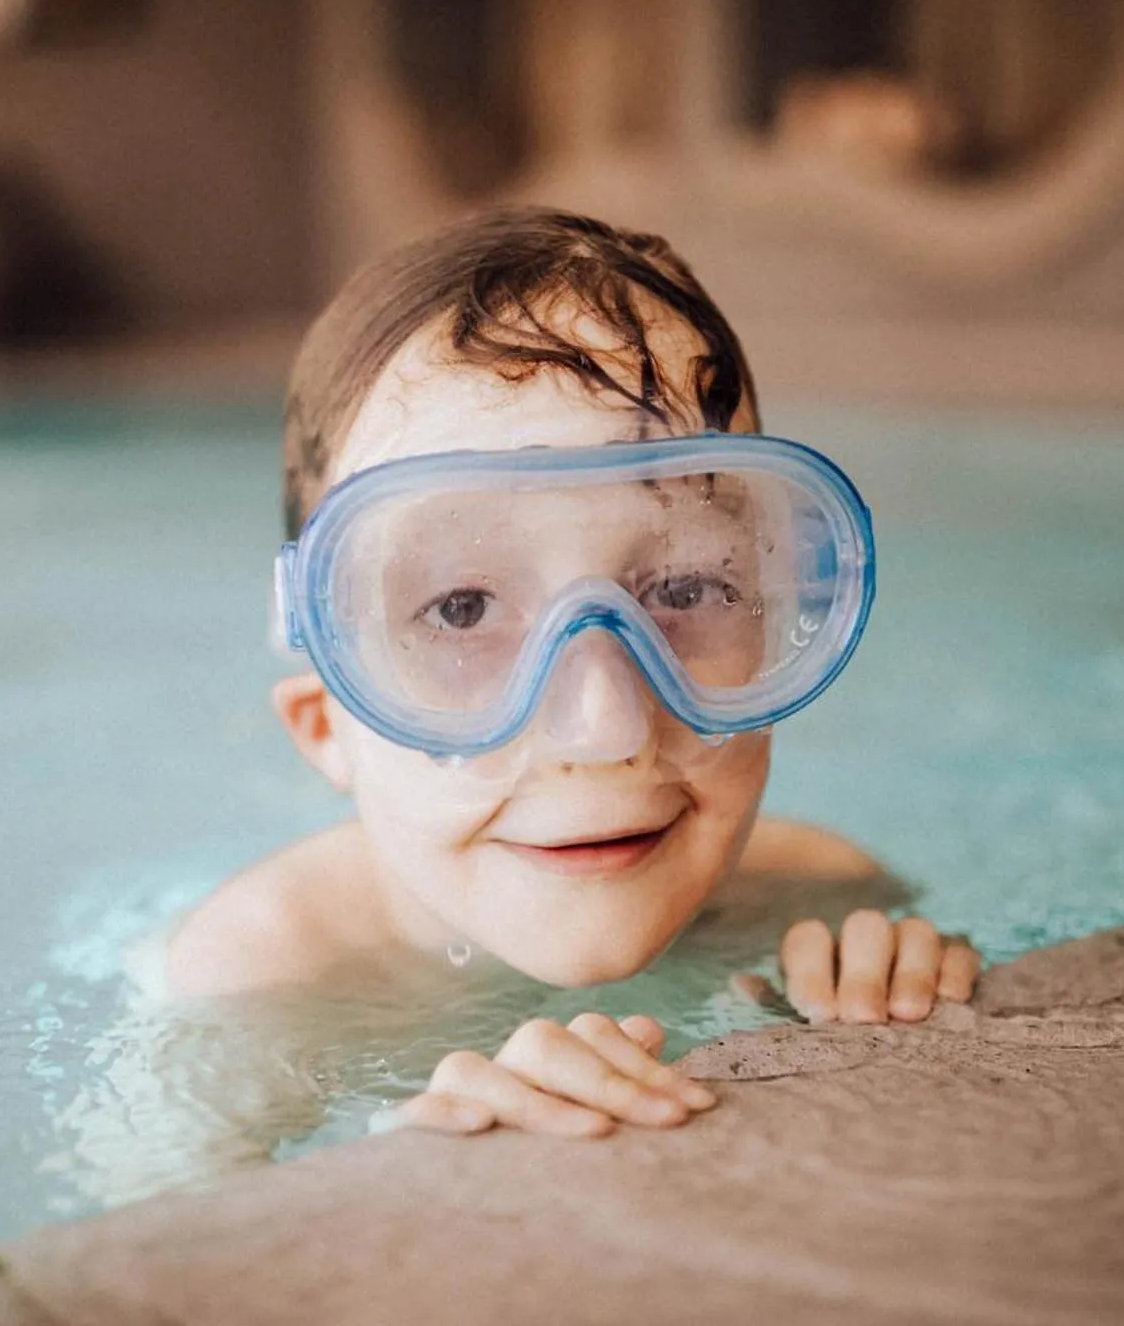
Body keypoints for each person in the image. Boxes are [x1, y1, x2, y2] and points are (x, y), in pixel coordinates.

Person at [132, 206, 980, 1142]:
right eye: (462, 608)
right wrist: (396, 1160)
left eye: (686, 588)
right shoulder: (256, 977)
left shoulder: (814, 896)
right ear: (326, 727)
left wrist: (887, 970)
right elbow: (155, 1223)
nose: (607, 727)